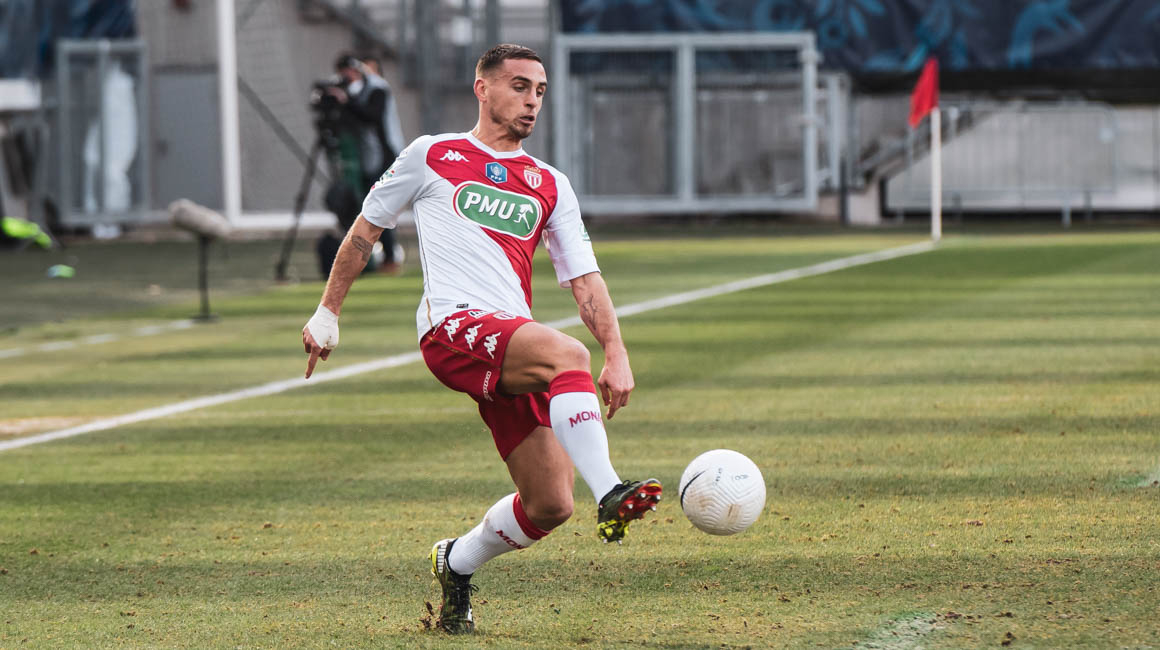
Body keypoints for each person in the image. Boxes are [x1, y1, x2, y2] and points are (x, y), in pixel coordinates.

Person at [301, 44, 662, 635]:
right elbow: (365, 232)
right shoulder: (432, 154)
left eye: (540, 91)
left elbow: (584, 279)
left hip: (508, 340)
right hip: (451, 327)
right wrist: (327, 311)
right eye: (519, 86)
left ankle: (456, 563)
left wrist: (618, 353)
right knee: (569, 354)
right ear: (482, 88)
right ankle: (611, 492)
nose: (532, 101)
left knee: (549, 504)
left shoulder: (550, 183)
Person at [330, 54, 405, 272]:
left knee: (379, 207)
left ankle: (389, 255)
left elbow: (371, 116)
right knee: (362, 206)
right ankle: (367, 256)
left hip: (382, 156)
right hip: (363, 157)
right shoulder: (357, 91)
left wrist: (346, 100)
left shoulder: (377, 89)